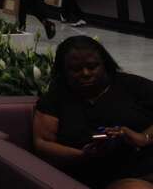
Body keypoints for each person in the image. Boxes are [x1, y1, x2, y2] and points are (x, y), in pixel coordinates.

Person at [33, 36, 153, 188]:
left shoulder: (132, 85)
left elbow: (143, 137)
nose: (86, 73)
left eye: (92, 66)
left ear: (104, 64)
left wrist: (143, 137)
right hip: (110, 176)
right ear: (63, 71)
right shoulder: (56, 98)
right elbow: (42, 143)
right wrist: (83, 155)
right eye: (76, 69)